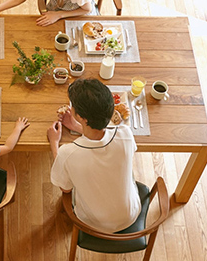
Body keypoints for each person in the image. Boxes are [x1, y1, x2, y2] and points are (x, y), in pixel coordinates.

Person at [47, 78, 141, 233]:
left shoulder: (68, 153)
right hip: (130, 215)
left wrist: (54, 143)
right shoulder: (126, 133)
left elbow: (65, 189)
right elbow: (101, 136)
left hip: (94, 223)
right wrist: (77, 126)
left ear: (82, 117)